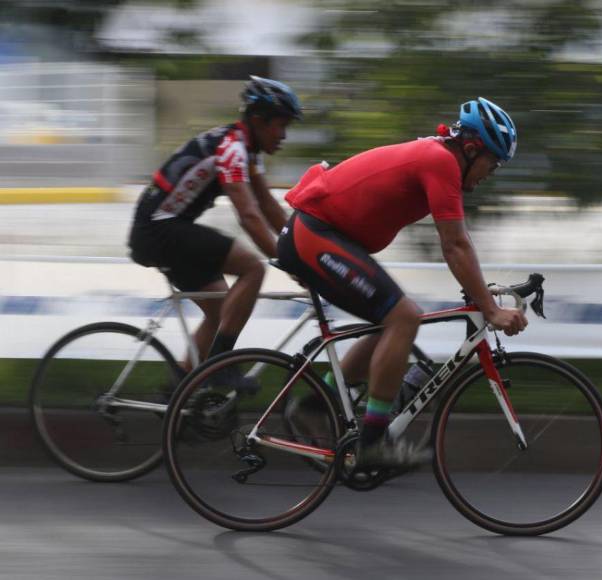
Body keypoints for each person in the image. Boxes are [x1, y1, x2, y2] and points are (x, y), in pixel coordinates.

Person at [277, 97, 528, 468]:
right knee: (404, 317)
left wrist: (481, 291)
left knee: (390, 323)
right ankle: (372, 444)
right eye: (493, 163)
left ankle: (316, 406)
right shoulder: (441, 161)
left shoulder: (440, 157)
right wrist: (490, 310)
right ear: (473, 149)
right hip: (314, 235)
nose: (491, 173)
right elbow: (454, 245)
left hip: (319, 235)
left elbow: (459, 242)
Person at [129, 76, 301, 373]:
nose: (284, 135)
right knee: (253, 268)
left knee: (221, 309)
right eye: (281, 125)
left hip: (164, 226)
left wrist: (300, 246)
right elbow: (249, 215)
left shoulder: (246, 150)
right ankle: (224, 366)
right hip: (159, 228)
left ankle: (181, 391)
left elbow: (268, 206)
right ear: (258, 120)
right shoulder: (232, 149)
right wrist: (289, 262)